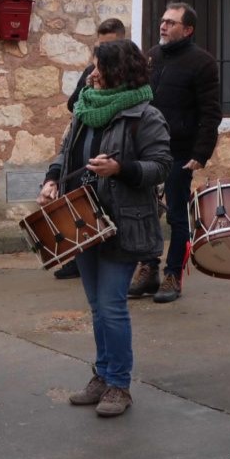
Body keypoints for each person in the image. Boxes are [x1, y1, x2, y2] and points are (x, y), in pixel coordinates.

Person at [39, 40, 172, 417]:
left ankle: (119, 384)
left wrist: (122, 169)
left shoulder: (146, 115)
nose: (92, 73)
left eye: (100, 67)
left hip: (121, 223)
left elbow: (161, 165)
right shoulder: (83, 109)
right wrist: (51, 180)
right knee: (97, 307)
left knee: (112, 306)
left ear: (120, 71)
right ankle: (101, 373)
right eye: (92, 66)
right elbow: (66, 153)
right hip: (81, 220)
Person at [128, 3, 221, 304]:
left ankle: (173, 275)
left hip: (180, 151)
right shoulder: (151, 57)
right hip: (145, 150)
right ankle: (149, 269)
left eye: (171, 22)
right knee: (144, 213)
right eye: (163, 20)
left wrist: (201, 152)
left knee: (177, 216)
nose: (163, 26)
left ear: (188, 29)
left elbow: (211, 113)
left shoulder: (203, 63)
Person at [55, 17, 127, 280]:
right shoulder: (91, 72)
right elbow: (73, 104)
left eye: (108, 46)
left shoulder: (129, 79)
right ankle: (78, 255)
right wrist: (89, 92)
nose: (102, 54)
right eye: (100, 46)